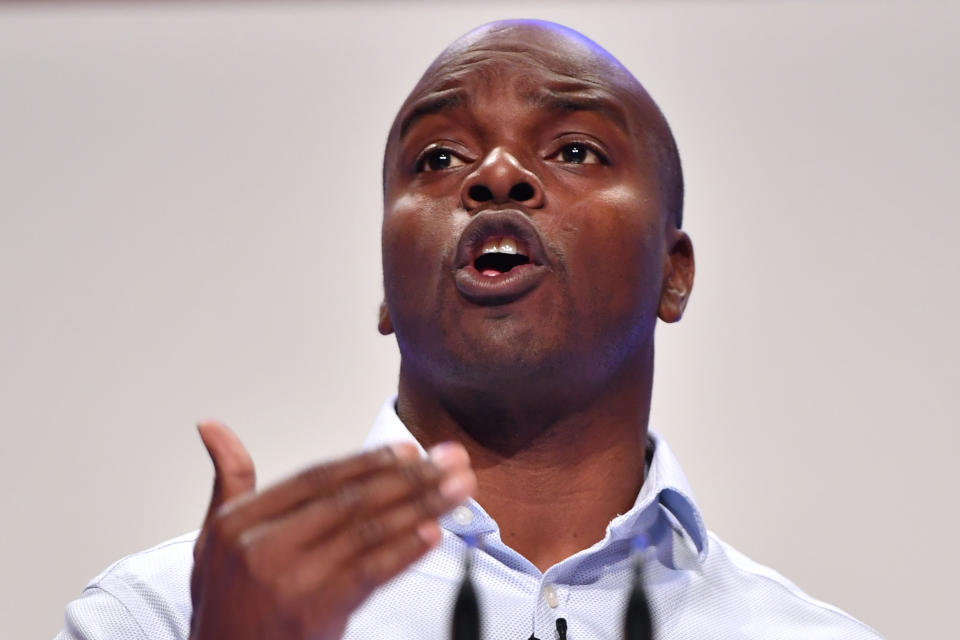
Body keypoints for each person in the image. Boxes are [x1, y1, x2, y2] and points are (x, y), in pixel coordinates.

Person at [56, 20, 883, 640]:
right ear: (386, 286)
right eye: (439, 159)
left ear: (674, 273)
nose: (496, 175)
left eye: (575, 149)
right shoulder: (160, 617)